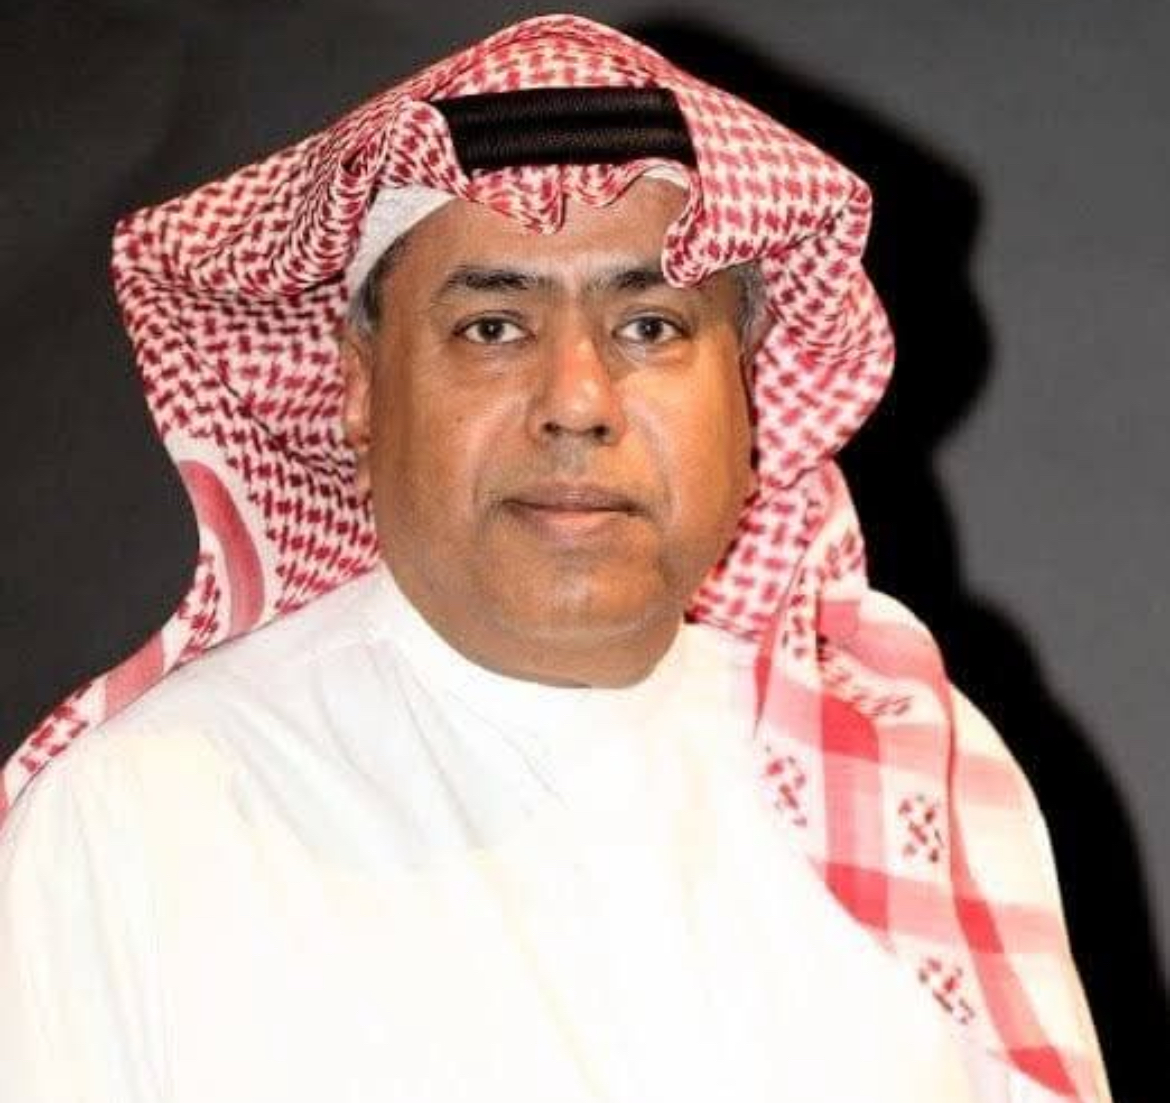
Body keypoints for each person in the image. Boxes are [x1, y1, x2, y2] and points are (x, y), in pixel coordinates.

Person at [0, 14, 1110, 1103]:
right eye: (494, 327)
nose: (578, 401)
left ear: (745, 386)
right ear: (362, 385)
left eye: (651, 327)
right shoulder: (137, 820)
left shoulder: (915, 779)